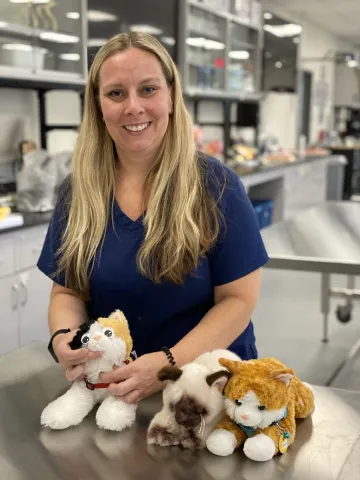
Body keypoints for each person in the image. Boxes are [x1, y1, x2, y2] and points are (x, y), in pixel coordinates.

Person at [37, 32, 269, 405]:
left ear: (171, 96)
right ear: (98, 105)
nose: (133, 107)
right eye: (116, 93)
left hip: (208, 392)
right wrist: (63, 336)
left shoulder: (216, 186)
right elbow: (68, 291)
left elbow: (238, 301)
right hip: (114, 393)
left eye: (148, 89)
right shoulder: (78, 191)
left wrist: (167, 365)